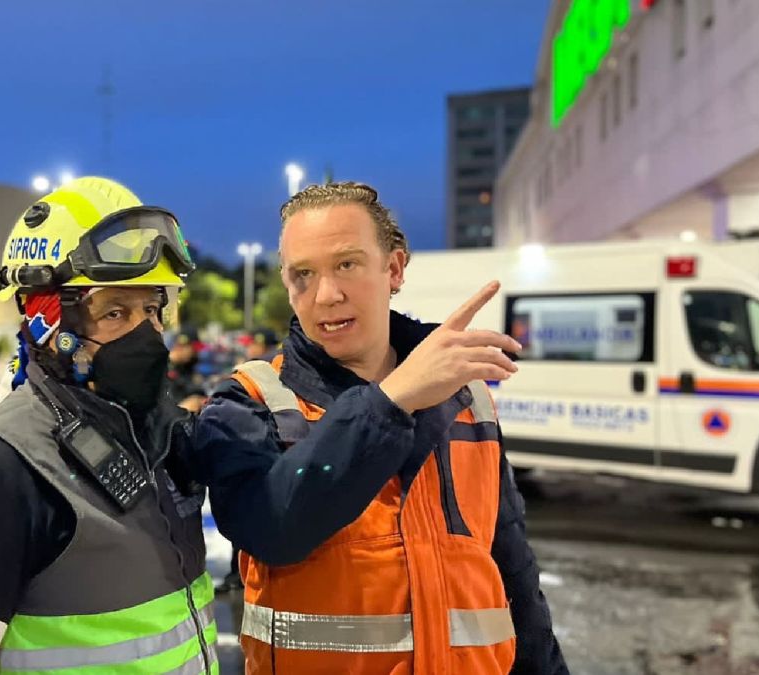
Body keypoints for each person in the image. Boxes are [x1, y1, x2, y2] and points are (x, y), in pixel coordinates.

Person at [195, 181, 568, 674]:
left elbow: (514, 573)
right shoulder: (249, 401)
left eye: (346, 264)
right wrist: (392, 401)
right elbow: (271, 528)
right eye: (303, 274)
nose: (326, 295)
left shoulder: (467, 397)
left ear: (393, 268)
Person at [0, 177, 217, 675]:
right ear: (46, 320)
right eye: (114, 311)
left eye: (153, 309)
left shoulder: (151, 439)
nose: (146, 334)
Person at [167, 330, 208, 413]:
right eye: (194, 348)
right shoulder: (162, 369)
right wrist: (182, 410)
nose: (196, 353)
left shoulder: (186, 368)